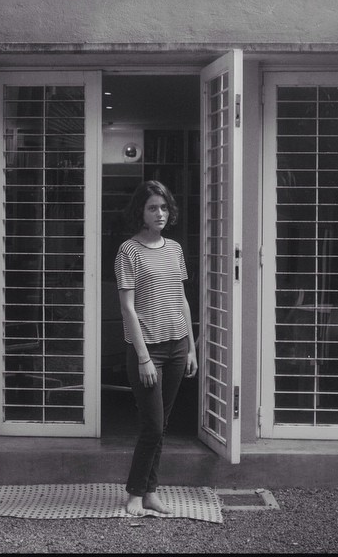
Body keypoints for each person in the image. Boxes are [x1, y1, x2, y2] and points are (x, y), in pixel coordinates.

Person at [114, 180, 198, 516]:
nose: (160, 213)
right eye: (153, 208)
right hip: (148, 351)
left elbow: (181, 300)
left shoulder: (174, 249)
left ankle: (149, 492)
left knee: (161, 425)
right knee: (152, 425)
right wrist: (144, 358)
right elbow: (127, 308)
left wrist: (190, 348)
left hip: (177, 346)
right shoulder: (129, 251)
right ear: (141, 212)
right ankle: (135, 493)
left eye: (164, 207)